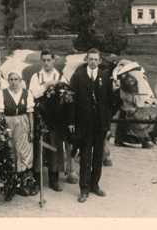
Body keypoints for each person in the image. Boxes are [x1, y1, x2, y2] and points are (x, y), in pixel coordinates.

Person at [68, 49, 121, 203]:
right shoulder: (78, 77)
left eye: (95, 59)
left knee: (98, 157)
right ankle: (84, 189)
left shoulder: (105, 77)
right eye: (90, 59)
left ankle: (94, 185)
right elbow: (72, 101)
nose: (92, 62)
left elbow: (111, 101)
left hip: (100, 125)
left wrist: (115, 92)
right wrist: (72, 122)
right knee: (85, 157)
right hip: (84, 125)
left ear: (99, 61)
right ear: (87, 60)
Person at [29, 49, 68, 193]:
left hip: (55, 118)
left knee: (54, 146)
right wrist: (47, 85)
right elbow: (33, 94)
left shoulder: (60, 76)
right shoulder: (36, 76)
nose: (46, 63)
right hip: (40, 116)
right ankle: (37, 180)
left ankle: (54, 180)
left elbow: (66, 94)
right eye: (43, 60)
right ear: (41, 61)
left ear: (53, 60)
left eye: (49, 60)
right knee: (39, 146)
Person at [0, 68, 35, 202]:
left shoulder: (26, 93)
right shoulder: (1, 93)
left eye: (16, 79)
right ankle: (9, 184)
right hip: (8, 123)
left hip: (23, 123)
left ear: (20, 80)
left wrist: (32, 131)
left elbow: (30, 113)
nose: (13, 82)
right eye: (11, 79)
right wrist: (0, 131)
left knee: (23, 152)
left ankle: (22, 183)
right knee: (10, 152)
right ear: (8, 81)